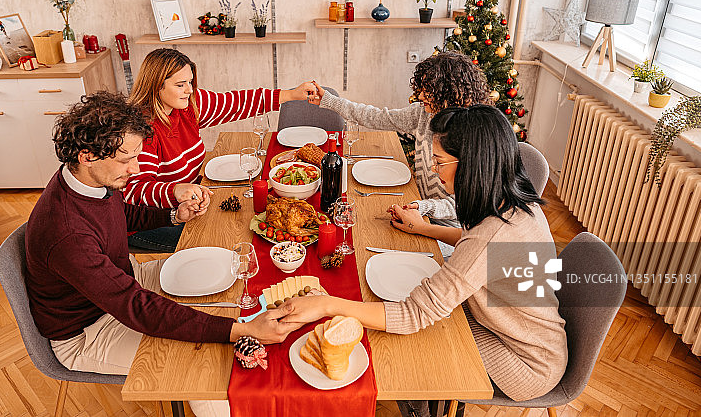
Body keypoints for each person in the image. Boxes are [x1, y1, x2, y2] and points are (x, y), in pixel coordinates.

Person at [282, 105, 567, 414]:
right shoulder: (510, 203)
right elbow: (479, 251)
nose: (433, 169)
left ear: (472, 164)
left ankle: (420, 409)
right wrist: (424, 228)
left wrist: (327, 304)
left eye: (440, 161)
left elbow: (414, 313)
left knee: (409, 349)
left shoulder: (494, 234)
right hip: (508, 329)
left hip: (524, 361)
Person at [25, 91, 299, 383]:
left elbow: (121, 214)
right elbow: (136, 307)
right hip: (90, 329)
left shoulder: (85, 177)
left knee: (231, 268)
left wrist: (173, 216)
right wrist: (242, 331)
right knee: (208, 364)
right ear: (87, 155)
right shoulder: (67, 234)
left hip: (125, 278)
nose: (136, 169)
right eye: (126, 160)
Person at [124, 48, 319, 251]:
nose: (189, 90)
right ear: (156, 86)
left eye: (190, 82)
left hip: (190, 203)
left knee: (244, 223)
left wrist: (290, 95)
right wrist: (175, 190)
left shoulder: (187, 106)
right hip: (153, 221)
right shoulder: (142, 130)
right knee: (229, 240)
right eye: (180, 85)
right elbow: (134, 191)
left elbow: (235, 103)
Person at [312, 51, 491, 244]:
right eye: (421, 88)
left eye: (428, 91)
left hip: (450, 230)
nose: (420, 95)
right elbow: (378, 117)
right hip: (418, 207)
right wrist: (331, 101)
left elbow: (462, 206)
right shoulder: (424, 113)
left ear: (449, 92)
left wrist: (423, 207)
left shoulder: (473, 138)